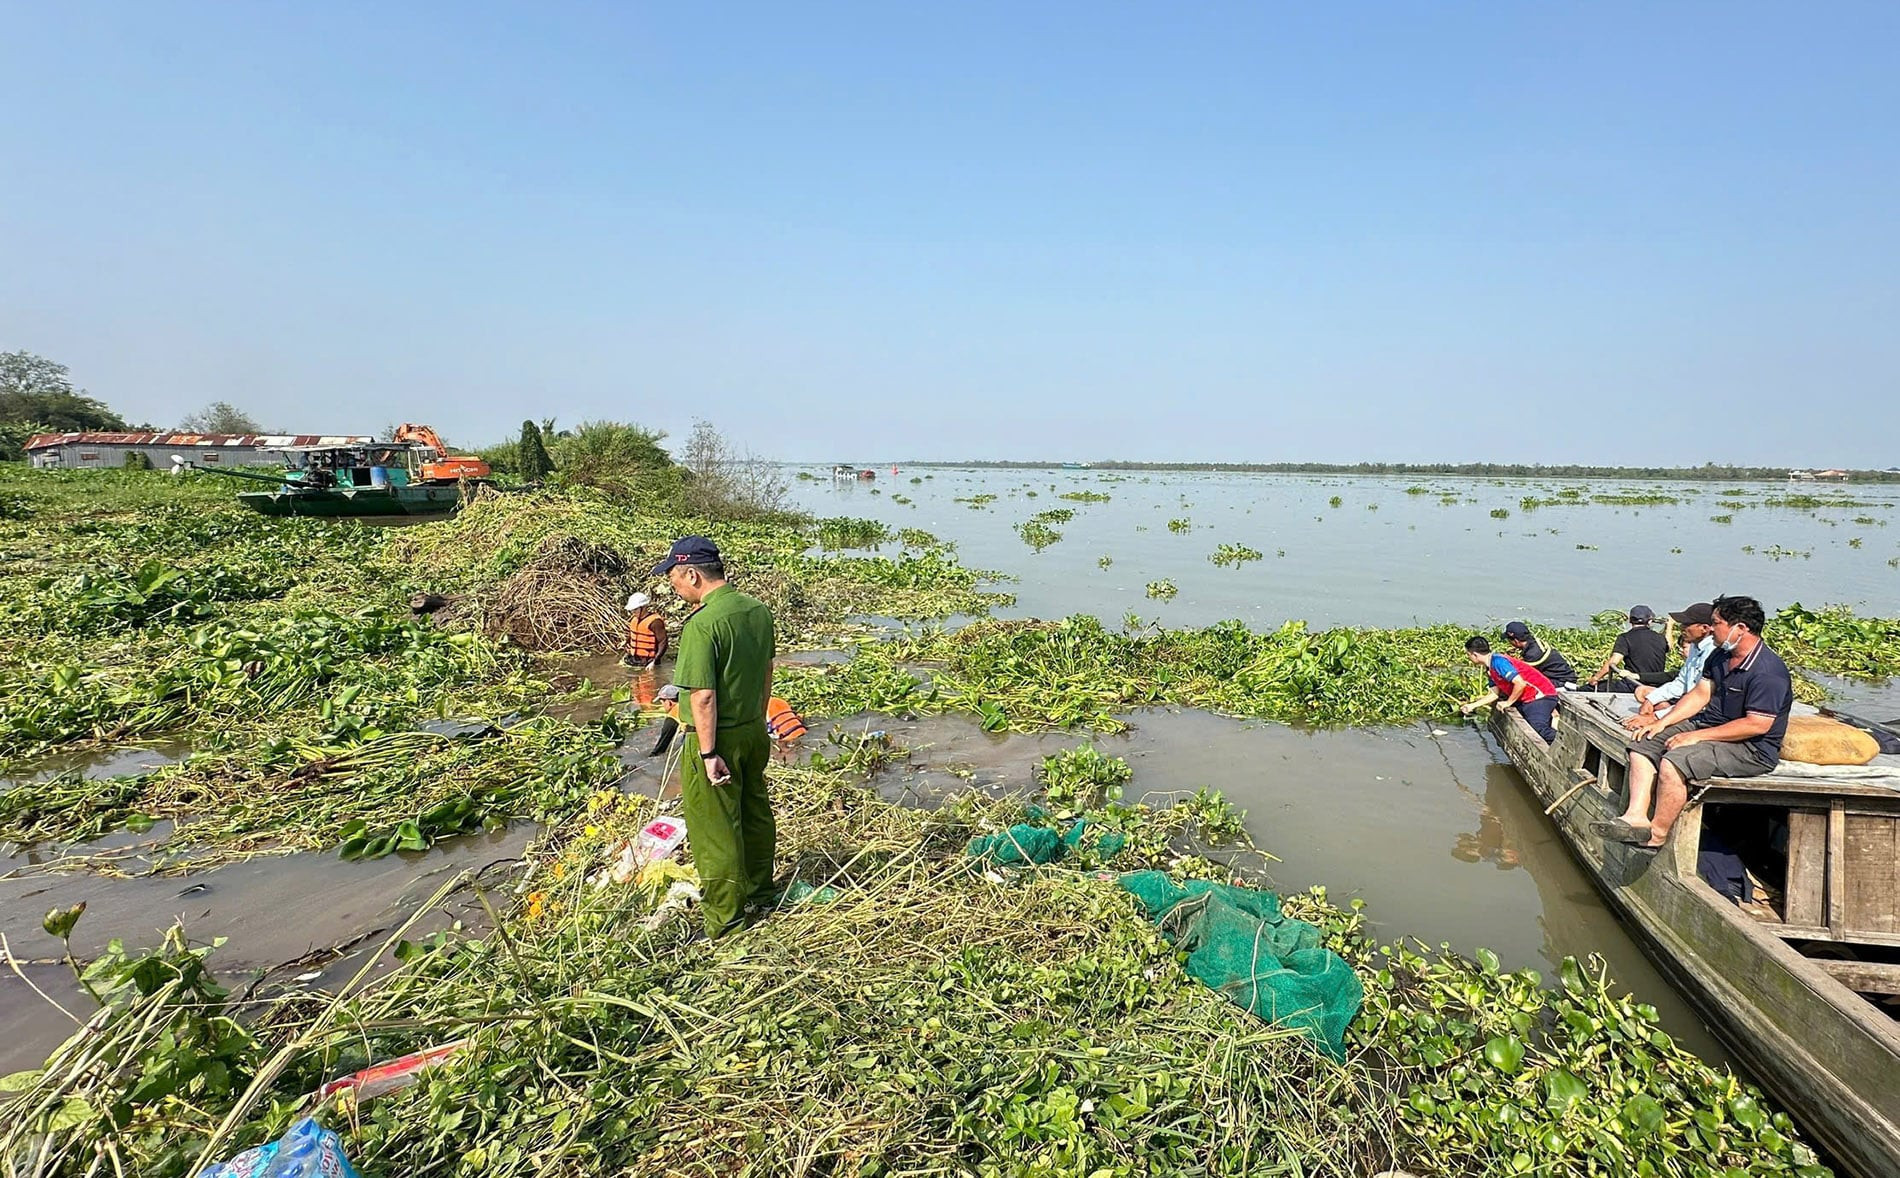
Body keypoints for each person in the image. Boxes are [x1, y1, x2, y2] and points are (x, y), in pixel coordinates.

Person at [653, 535, 779, 938]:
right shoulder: (757, 612)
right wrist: (757, 724)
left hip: (715, 740)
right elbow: (765, 674)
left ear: (692, 573)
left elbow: (704, 697)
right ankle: (762, 892)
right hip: (752, 732)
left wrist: (708, 754)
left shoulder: (703, 623)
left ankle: (726, 922)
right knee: (756, 812)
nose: (672, 585)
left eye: (673, 576)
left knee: (716, 829)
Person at [1602, 595, 1793, 852]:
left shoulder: (1768, 671)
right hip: (1709, 726)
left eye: (1717, 622)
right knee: (1643, 740)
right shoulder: (1720, 656)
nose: (1711, 628)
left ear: (1741, 628)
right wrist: (1662, 722)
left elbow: (1756, 725)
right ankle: (1635, 815)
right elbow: (1699, 695)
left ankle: (1656, 833)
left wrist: (1696, 737)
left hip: (1750, 748)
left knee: (1673, 762)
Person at [1622, 602, 1717, 729]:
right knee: (1643, 693)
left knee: (1644, 736)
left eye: (1686, 624)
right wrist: (1651, 700)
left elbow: (1698, 700)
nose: (1681, 627)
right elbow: (1681, 682)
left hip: (1702, 713)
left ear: (1705, 628)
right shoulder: (1695, 646)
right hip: (1686, 702)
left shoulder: (1713, 653)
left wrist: (1656, 717)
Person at [1460, 635, 1561, 743]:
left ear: (1474, 655)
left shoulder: (1499, 662)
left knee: (1537, 730)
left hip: (1541, 696)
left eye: (1468, 655)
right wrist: (1472, 705)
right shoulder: (1490, 667)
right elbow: (1494, 693)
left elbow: (1520, 683)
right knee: (1524, 724)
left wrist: (1508, 702)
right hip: (1528, 698)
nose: (1469, 658)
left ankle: (1565, 744)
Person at [1581, 606, 1670, 692]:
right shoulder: (1660, 638)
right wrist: (1669, 626)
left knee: (1588, 688)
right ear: (1650, 621)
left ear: (1630, 621)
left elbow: (1613, 661)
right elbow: (1669, 646)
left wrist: (1596, 678)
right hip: (1656, 686)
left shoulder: (1625, 638)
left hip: (1633, 685)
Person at [1502, 621, 1579, 690]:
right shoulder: (1535, 642)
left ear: (1516, 641)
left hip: (1561, 683)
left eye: (1509, 640)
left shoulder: (1532, 654)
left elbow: (1525, 675)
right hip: (1565, 677)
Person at [623, 591, 668, 669]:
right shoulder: (634, 620)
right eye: (632, 610)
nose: (633, 612)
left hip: (649, 661)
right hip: (635, 659)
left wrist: (654, 661)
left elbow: (663, 642)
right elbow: (633, 634)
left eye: (635, 609)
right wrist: (626, 642)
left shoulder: (655, 622)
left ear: (643, 608)